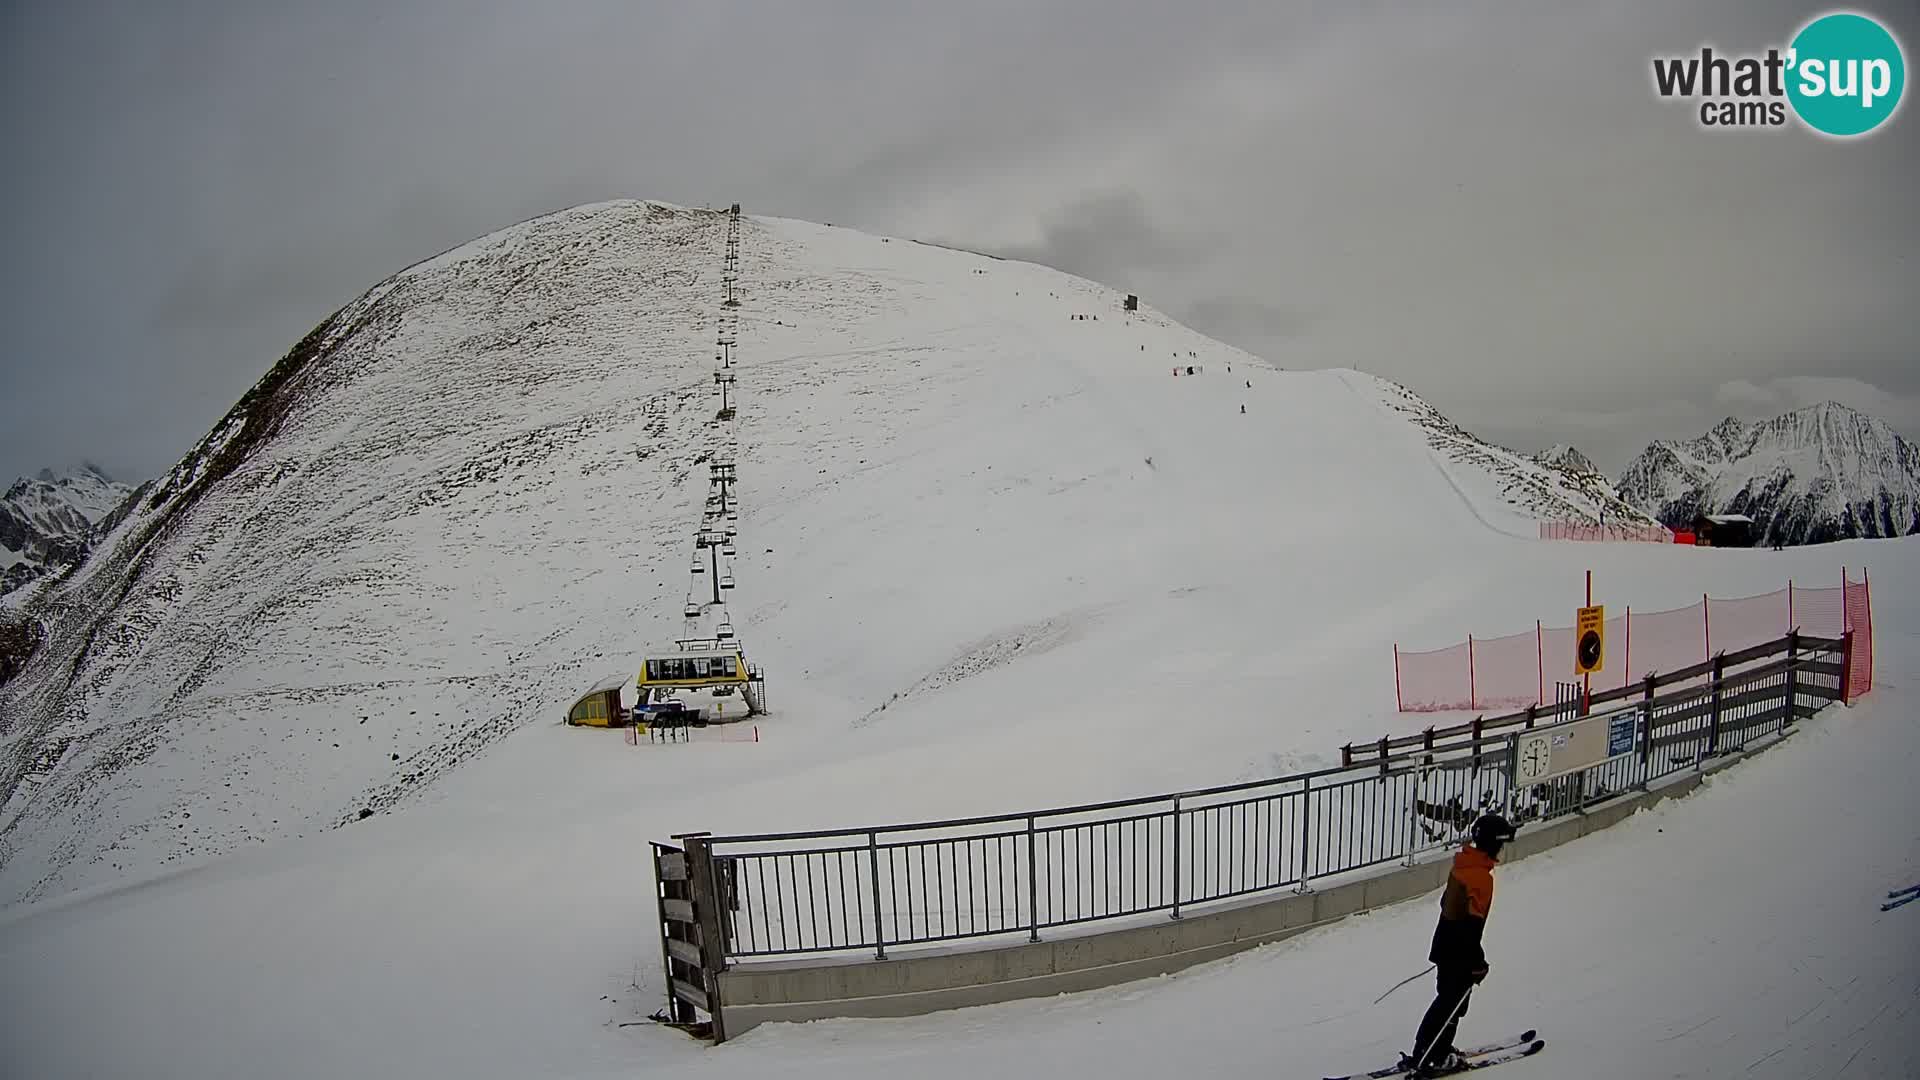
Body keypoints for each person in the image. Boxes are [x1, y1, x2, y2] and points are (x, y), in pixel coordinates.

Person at [1404, 813, 1517, 1077]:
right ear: (1494, 844)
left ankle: (1431, 1048)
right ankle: (1433, 1056)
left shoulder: (1463, 866)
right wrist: (1476, 962)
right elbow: (1470, 926)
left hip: (1445, 945)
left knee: (1447, 1000)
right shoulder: (1480, 878)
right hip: (1458, 951)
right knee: (1453, 1003)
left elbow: (1448, 906)